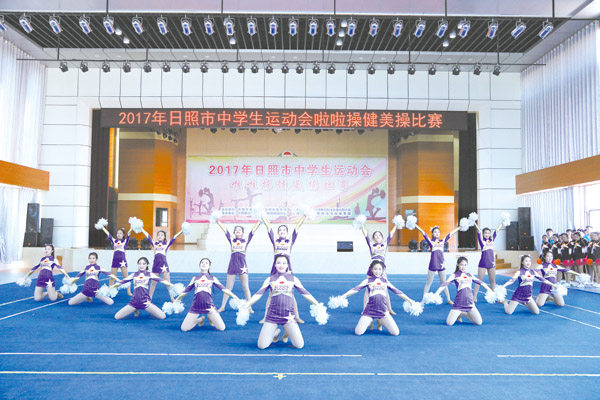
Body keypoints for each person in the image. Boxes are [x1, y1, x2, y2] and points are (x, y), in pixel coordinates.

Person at [243, 254, 322, 349]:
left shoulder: (293, 279)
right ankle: (276, 333)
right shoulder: (270, 279)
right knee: (261, 346)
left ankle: (287, 332)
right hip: (272, 316)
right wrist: (247, 305)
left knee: (299, 345)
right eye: (279, 263)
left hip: (289, 317)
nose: (281, 265)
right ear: (275, 265)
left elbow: (305, 293)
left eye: (284, 263)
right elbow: (258, 294)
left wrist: (317, 304)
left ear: (288, 265)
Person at [336, 260, 418, 336]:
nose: (377, 271)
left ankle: (380, 320)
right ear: (372, 270)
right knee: (358, 332)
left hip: (383, 312)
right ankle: (370, 320)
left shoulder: (385, 281)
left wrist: (411, 301)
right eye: (375, 269)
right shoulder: (368, 281)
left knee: (395, 333)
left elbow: (398, 292)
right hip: (369, 311)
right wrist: (342, 297)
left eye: (379, 269)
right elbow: (355, 289)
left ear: (383, 270)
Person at [261, 211, 306, 323]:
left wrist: (304, 215)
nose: (282, 231)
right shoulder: (274, 240)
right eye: (280, 230)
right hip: (275, 269)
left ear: (287, 232)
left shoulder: (290, 240)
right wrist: (261, 214)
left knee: (291, 293)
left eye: (284, 230)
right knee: (271, 294)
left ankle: (297, 316)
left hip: (287, 269)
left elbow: (297, 226)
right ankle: (265, 317)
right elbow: (268, 226)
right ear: (278, 232)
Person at [176, 258, 241, 332]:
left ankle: (210, 317)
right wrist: (176, 300)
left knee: (221, 328)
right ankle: (200, 319)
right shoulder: (195, 278)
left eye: (206, 263)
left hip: (209, 307)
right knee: (184, 329)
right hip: (196, 306)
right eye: (202, 262)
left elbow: (224, 289)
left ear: (209, 266)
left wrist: (234, 296)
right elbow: (185, 291)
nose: (204, 264)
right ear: (199, 265)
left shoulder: (213, 278)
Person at [214, 218, 261, 312]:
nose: (238, 231)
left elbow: (253, 230)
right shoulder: (232, 239)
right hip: (232, 265)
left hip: (242, 265)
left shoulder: (246, 240)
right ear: (234, 232)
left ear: (243, 232)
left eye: (240, 229)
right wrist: (218, 221)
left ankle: (249, 307)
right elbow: (225, 229)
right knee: (228, 288)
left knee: (245, 287)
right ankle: (222, 306)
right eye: (236, 230)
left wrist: (259, 221)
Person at [434, 257, 493, 326]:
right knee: (449, 323)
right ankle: (459, 313)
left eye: (465, 265)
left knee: (479, 322)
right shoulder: (454, 275)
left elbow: (481, 283)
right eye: (461, 265)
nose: (463, 267)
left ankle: (462, 313)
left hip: (470, 303)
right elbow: (445, 284)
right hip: (459, 303)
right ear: (458, 265)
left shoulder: (469, 275)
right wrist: (436, 294)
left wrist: (491, 291)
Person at [414, 223, 460, 303]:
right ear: (432, 233)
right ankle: (423, 299)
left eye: (438, 232)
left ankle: (448, 299)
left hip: (441, 264)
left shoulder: (442, 241)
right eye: (435, 232)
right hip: (433, 264)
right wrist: (416, 225)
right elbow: (423, 233)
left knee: (444, 282)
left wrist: (459, 227)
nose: (437, 233)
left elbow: (450, 234)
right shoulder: (431, 242)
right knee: (429, 282)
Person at [141, 227, 184, 301]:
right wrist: (141, 229)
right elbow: (148, 236)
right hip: (156, 265)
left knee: (168, 283)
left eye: (161, 235)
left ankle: (172, 297)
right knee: (153, 283)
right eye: (158, 235)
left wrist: (182, 231)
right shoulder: (154, 244)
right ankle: (150, 297)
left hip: (164, 266)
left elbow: (174, 237)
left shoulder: (166, 244)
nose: (160, 236)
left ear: (164, 237)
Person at [472, 219, 504, 301]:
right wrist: (474, 222)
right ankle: (474, 296)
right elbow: (478, 231)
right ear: (483, 234)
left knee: (492, 280)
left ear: (490, 234)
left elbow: (496, 231)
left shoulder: (492, 240)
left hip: (491, 263)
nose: (487, 234)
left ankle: (494, 296)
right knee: (479, 280)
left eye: (488, 233)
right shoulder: (481, 241)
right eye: (485, 233)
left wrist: (502, 222)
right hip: (483, 263)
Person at [100, 225, 133, 296]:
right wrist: (102, 227)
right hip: (115, 261)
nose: (119, 234)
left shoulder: (125, 241)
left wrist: (132, 227)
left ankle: (129, 291)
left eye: (120, 233)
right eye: (118, 233)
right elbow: (108, 234)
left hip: (122, 261)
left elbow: (128, 234)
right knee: (112, 277)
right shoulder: (114, 241)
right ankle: (109, 290)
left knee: (126, 277)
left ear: (123, 235)